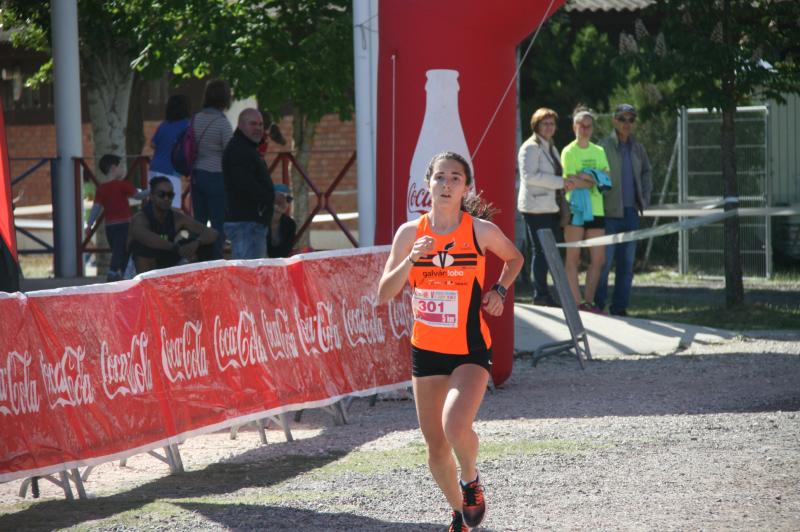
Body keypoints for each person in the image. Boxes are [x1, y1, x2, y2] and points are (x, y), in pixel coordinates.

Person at [377, 152, 523, 532]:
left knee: (455, 427)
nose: (446, 185)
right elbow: (384, 292)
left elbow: (515, 258)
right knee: (436, 449)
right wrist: (410, 259)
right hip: (426, 351)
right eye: (439, 177)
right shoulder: (409, 234)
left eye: (455, 178)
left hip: (469, 349)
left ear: (466, 187)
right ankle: (459, 513)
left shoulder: (479, 231)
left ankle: (471, 480)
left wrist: (499, 290)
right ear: (427, 184)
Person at [517, 107, 579, 307]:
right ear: (536, 125)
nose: (549, 127)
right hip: (535, 207)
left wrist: (564, 182)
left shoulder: (550, 146)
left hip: (549, 206)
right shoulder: (530, 147)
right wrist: (561, 182)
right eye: (545, 123)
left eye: (552, 123)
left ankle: (545, 293)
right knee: (541, 251)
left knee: (547, 251)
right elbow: (530, 176)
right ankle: (540, 294)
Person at [595, 104, 653, 316]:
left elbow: (647, 172)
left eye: (631, 120)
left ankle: (619, 308)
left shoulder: (637, 147)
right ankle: (597, 306)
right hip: (609, 214)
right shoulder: (603, 146)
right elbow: (597, 176)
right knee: (604, 263)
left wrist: (644, 198)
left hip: (631, 214)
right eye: (622, 119)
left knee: (626, 265)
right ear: (614, 121)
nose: (627, 124)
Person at [560, 108, 611, 312]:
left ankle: (588, 303)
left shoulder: (598, 151)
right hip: (575, 209)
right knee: (573, 257)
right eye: (581, 125)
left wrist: (586, 176)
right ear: (574, 127)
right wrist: (594, 177)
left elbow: (607, 178)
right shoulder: (568, 151)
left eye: (589, 126)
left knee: (599, 259)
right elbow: (571, 182)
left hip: (597, 210)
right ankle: (576, 302)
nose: (585, 129)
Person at [128, 176, 218, 274]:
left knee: (205, 246)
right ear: (152, 196)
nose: (166, 198)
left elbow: (212, 233)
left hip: (164, 260)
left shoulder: (177, 217)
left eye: (170, 195)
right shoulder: (140, 217)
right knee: (142, 247)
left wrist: (197, 243)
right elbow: (146, 237)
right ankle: (145, 283)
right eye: (161, 194)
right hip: (137, 269)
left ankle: (203, 280)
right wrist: (176, 248)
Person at [85, 154, 148, 281]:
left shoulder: (101, 189)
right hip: (125, 225)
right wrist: (152, 191)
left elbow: (96, 208)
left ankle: (121, 273)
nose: (122, 170)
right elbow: (138, 196)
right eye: (120, 167)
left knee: (118, 250)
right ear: (114, 168)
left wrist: (90, 224)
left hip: (110, 227)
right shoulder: (123, 185)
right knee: (123, 250)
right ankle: (113, 272)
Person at [222, 108, 274, 260]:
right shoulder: (239, 149)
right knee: (248, 274)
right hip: (245, 223)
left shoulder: (247, 147)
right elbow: (244, 185)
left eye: (260, 124)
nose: (258, 128)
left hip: (251, 223)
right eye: (253, 124)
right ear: (241, 125)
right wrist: (269, 197)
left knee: (253, 273)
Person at [192, 79, 233, 259]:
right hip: (216, 176)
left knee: (198, 222)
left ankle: (197, 257)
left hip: (197, 175)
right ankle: (215, 259)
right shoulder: (222, 123)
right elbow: (230, 153)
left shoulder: (196, 119)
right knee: (218, 222)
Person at [149, 94, 190, 209]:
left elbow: (152, 144)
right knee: (172, 207)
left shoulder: (164, 125)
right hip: (171, 170)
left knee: (156, 207)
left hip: (154, 168)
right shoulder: (187, 124)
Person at [267, 183, 297, 258]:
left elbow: (286, 251)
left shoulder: (290, 224)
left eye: (288, 199)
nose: (284, 202)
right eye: (279, 197)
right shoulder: (259, 222)